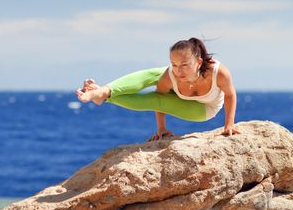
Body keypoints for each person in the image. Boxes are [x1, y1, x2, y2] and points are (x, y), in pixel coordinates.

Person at [76, 37, 240, 142]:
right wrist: (161, 128)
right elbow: (158, 101)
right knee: (153, 75)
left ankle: (103, 95)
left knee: (162, 79)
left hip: (203, 109)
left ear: (198, 62)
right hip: (170, 89)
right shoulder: (171, 74)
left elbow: (230, 95)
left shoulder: (218, 72)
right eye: (174, 64)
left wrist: (229, 124)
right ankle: (102, 93)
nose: (178, 70)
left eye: (184, 65)